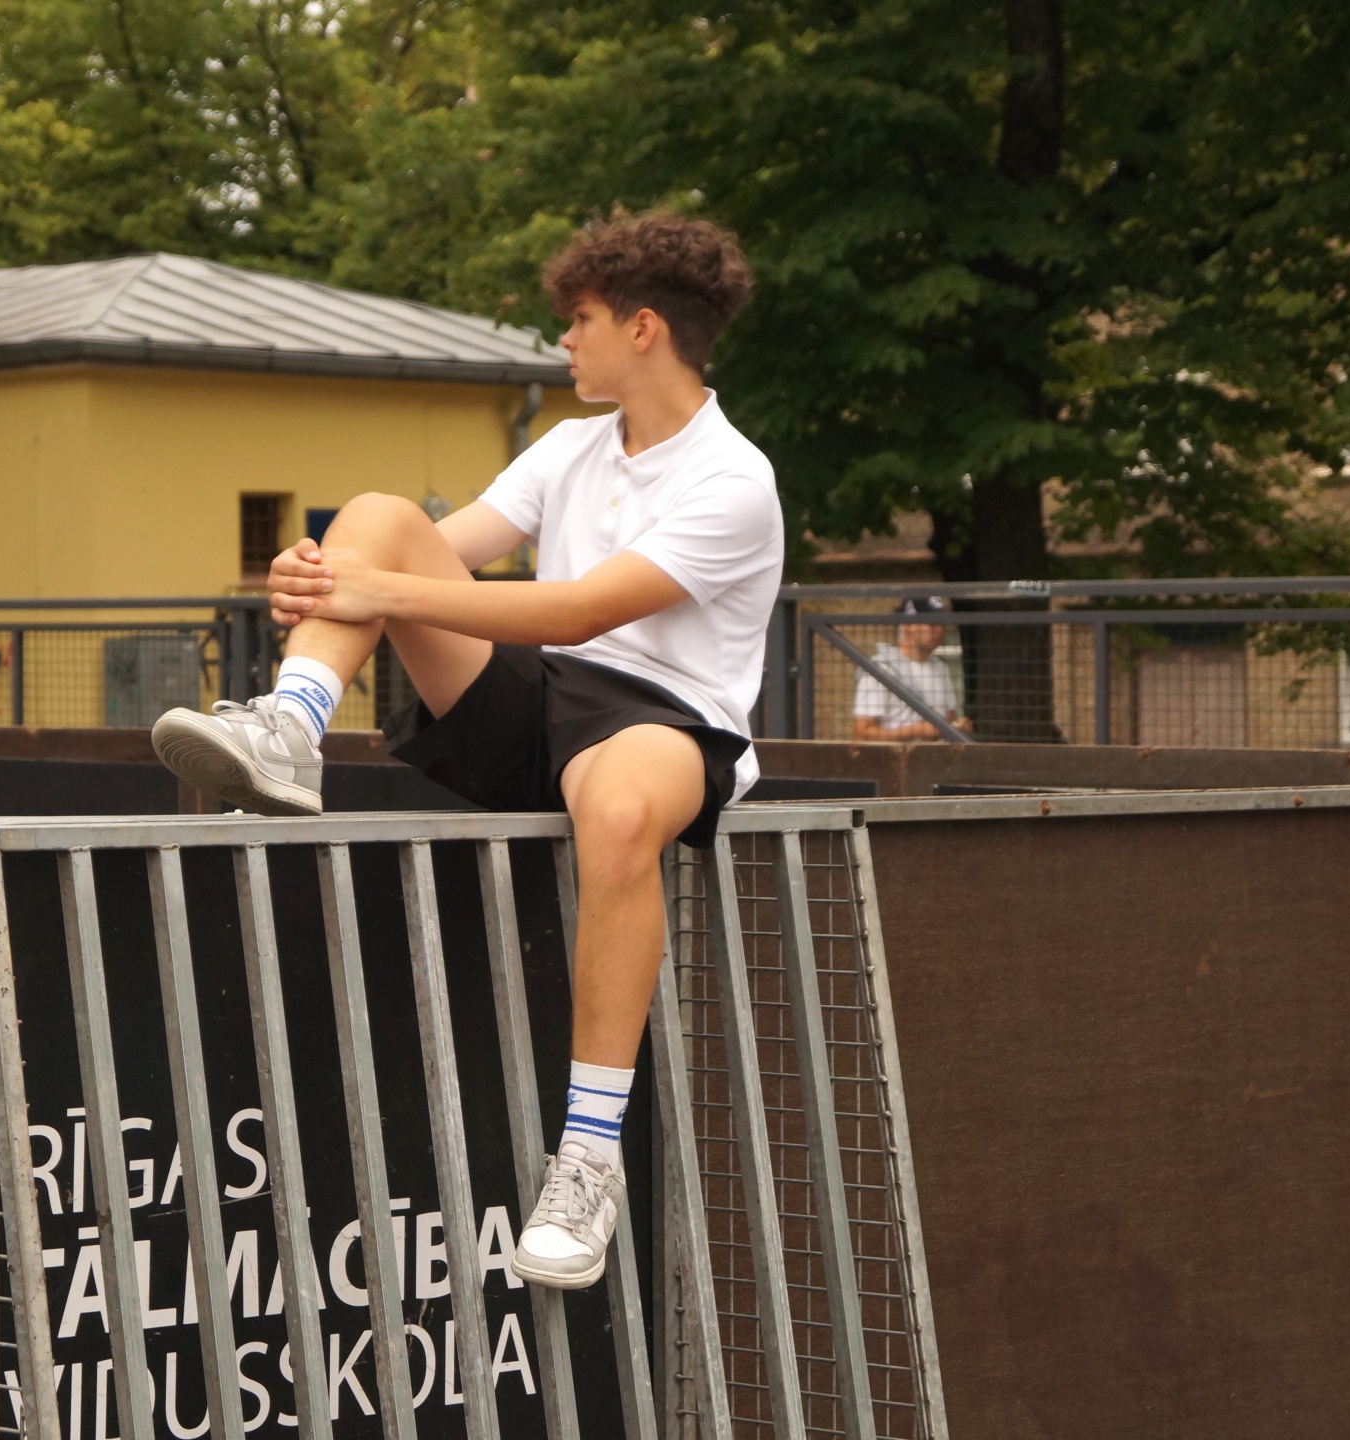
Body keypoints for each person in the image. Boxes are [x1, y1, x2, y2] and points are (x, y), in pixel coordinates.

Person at [152, 212, 779, 1289]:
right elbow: (439, 553)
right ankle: (291, 725)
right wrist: (328, 575)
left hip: (663, 721)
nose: (563, 341)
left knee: (620, 810)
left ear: (641, 329)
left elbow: (582, 610)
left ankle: (586, 1161)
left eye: (579, 320)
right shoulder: (571, 444)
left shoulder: (733, 478)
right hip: (534, 696)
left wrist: (376, 589)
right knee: (376, 512)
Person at [851, 597, 970, 741]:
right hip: (895, 755)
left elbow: (950, 720)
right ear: (908, 625)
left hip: (937, 755)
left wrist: (958, 727)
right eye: (932, 624)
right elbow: (861, 734)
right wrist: (915, 731)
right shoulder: (881, 669)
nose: (939, 630)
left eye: (942, 624)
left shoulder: (941, 668)